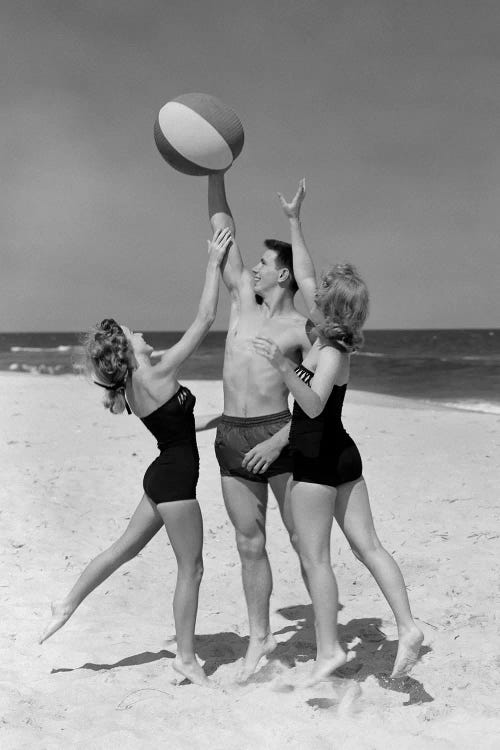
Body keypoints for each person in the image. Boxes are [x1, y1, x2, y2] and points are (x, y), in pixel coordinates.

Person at [39, 228, 233, 687]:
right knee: (193, 567)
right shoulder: (157, 373)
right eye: (133, 331)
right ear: (128, 349)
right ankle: (186, 658)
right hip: (175, 482)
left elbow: (184, 426)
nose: (140, 330)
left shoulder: (133, 386)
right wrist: (213, 263)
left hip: (162, 476)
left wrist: (228, 418)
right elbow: (205, 319)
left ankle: (65, 604)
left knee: (120, 551)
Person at [253, 180, 424, 685]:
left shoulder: (330, 350)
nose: (312, 289)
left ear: (330, 304)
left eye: (320, 291)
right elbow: (302, 271)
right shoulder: (330, 331)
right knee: (368, 546)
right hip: (343, 454)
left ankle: (329, 650)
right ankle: (408, 627)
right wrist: (293, 219)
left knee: (316, 557)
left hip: (318, 457)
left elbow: (313, 402)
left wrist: (284, 367)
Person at [208, 174, 314, 681]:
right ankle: (260, 636)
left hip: (279, 433)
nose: (253, 268)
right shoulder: (241, 304)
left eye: (265, 265)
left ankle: (329, 640)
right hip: (231, 434)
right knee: (249, 543)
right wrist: (215, 173)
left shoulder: (299, 331)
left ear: (285, 278)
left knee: (301, 538)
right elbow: (225, 234)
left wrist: (280, 439)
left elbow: (321, 402)